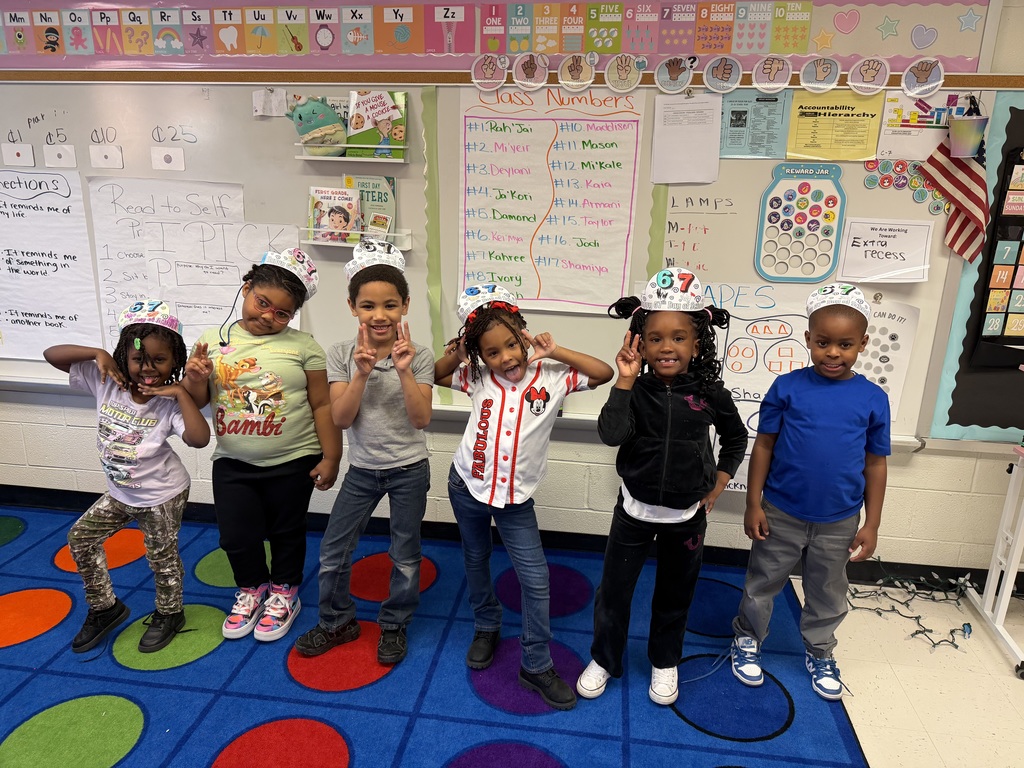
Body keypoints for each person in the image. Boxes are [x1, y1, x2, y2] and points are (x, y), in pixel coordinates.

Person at [435, 285, 614, 711]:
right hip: (467, 487)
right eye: (492, 352)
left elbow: (603, 372)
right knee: (475, 559)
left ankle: (535, 662)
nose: (506, 358)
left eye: (512, 345)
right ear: (481, 357)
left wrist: (557, 351)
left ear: (524, 336)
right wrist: (459, 353)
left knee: (536, 580)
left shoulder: (551, 376)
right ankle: (486, 624)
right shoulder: (476, 377)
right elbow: (435, 374)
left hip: (515, 501)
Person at [576, 268, 748, 706]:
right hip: (633, 513)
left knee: (674, 595)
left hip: (686, 519)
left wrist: (720, 481)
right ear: (640, 342)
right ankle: (604, 658)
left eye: (678, 337)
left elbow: (735, 438)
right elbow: (611, 434)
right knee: (613, 593)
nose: (667, 346)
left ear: (696, 342)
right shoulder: (634, 388)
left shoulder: (711, 393)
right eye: (655, 338)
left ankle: (664, 661)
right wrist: (625, 380)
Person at [729, 283, 889, 701]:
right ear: (808, 340)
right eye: (823, 343)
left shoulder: (873, 399)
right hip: (781, 510)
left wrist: (871, 523)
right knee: (763, 581)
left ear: (862, 344)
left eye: (845, 344)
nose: (832, 353)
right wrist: (752, 502)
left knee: (828, 590)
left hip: (839, 518)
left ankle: (820, 651)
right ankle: (747, 639)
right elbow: (763, 445)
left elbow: (875, 463)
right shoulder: (786, 387)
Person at [183, 248, 342, 642]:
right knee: (236, 535)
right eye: (262, 302)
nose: (268, 316)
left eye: (282, 313)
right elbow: (199, 400)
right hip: (233, 460)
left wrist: (332, 456)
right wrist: (195, 377)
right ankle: (252, 589)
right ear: (247, 288)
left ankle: (285, 592)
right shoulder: (211, 341)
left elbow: (322, 404)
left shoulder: (305, 347)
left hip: (294, 458)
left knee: (287, 530)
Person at [44, 301, 210, 654]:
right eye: (138, 359)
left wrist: (181, 393)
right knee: (80, 539)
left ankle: (170, 613)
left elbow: (199, 438)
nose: (147, 369)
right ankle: (105, 608)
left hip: (162, 494)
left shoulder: (168, 401)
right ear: (125, 357)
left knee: (161, 557)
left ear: (175, 361)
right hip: (120, 492)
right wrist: (96, 353)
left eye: (159, 361)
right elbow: (51, 354)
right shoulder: (108, 382)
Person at [294, 241, 433, 665]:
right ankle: (337, 621)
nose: (379, 315)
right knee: (333, 551)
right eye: (368, 305)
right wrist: (361, 372)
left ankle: (394, 624)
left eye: (390, 305)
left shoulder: (420, 355)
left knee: (405, 554)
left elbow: (421, 418)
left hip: (409, 469)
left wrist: (405, 370)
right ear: (353, 307)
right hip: (363, 470)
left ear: (405, 306)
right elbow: (339, 418)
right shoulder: (341, 354)